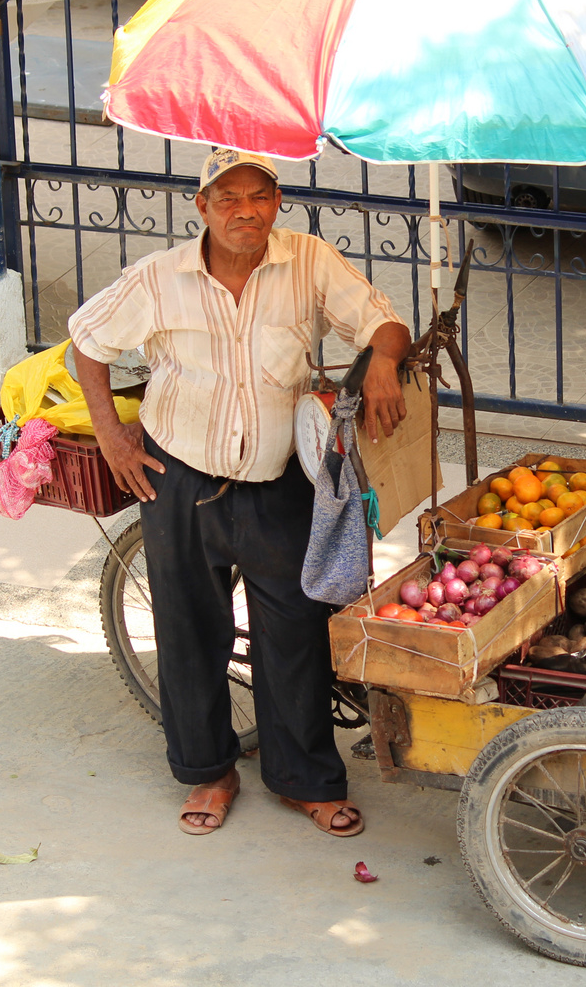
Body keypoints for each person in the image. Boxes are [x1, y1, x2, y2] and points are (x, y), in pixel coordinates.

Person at [69, 148, 410, 838]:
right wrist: (111, 435)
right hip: (177, 475)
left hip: (278, 478)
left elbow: (383, 320)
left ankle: (303, 779)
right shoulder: (160, 278)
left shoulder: (307, 260)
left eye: (258, 195)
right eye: (227, 198)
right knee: (190, 632)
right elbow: (88, 342)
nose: (244, 210)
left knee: (297, 633)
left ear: (277, 201)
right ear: (202, 206)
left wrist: (383, 362)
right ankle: (208, 773)